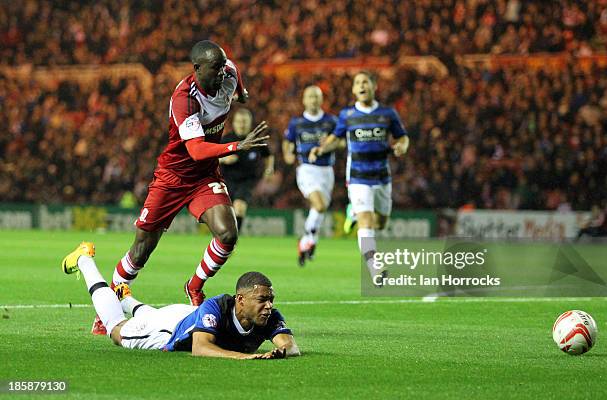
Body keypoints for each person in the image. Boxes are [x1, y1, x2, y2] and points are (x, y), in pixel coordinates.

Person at [93, 40, 270, 335]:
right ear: (197, 69)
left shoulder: (229, 73)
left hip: (204, 177)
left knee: (228, 233)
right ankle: (106, 311)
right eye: (215, 69)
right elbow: (197, 150)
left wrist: (241, 93)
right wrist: (238, 144)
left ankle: (195, 285)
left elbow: (238, 83)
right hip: (173, 177)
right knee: (142, 249)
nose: (221, 73)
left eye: (223, 66)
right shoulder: (183, 99)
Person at [62, 242, 300, 359]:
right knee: (116, 330)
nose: (268, 305)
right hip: (170, 330)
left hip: (186, 316)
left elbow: (289, 346)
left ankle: (127, 300)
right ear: (240, 299)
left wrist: (279, 351)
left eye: (271, 299)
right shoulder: (218, 306)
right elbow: (200, 348)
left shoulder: (269, 315)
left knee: (150, 316)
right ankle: (84, 259)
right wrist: (249, 357)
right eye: (262, 299)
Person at [309, 71, 409, 280]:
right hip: (357, 177)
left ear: (374, 86)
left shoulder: (388, 114)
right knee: (367, 221)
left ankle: (351, 211)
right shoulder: (347, 115)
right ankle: (375, 268)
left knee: (380, 223)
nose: (362, 86)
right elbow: (335, 138)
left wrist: (401, 147)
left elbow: (402, 137)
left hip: (382, 176)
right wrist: (321, 149)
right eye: (358, 83)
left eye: (366, 82)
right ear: (354, 90)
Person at [282, 86, 339, 266]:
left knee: (319, 209)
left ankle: (307, 241)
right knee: (320, 205)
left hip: (327, 170)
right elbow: (287, 142)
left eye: (316, 96)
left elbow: (341, 141)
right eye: (310, 97)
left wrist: (325, 147)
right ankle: (310, 240)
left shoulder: (331, 121)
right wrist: (287, 154)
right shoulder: (296, 123)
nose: (313, 100)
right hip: (307, 169)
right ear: (304, 100)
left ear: (321, 100)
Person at [219, 108, 275, 233]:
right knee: (226, 213)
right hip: (227, 181)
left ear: (250, 123)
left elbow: (268, 155)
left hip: (247, 181)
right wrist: (223, 159)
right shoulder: (226, 140)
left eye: (244, 122)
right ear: (234, 123)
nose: (242, 125)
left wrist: (269, 169)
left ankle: (232, 239)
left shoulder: (256, 140)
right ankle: (224, 238)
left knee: (239, 208)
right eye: (239, 122)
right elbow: (211, 158)